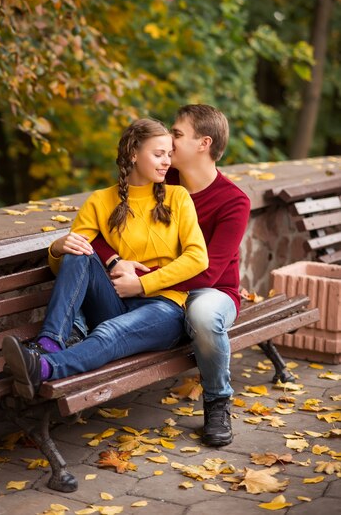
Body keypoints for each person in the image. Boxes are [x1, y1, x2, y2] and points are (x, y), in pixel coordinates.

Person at [2, 118, 209, 400]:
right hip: (115, 302)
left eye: (169, 154)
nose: (166, 162)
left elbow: (198, 258)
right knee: (79, 252)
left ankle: (43, 368)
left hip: (164, 308)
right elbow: (68, 268)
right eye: (158, 154)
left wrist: (143, 284)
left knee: (109, 331)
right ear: (133, 154)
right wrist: (58, 248)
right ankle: (49, 343)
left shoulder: (177, 197)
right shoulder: (100, 201)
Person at [91, 105, 251, 447]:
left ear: (203, 143)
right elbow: (103, 222)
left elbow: (209, 272)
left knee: (204, 315)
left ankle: (217, 402)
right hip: (160, 290)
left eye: (177, 135)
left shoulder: (233, 201)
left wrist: (144, 283)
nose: (169, 143)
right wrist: (115, 259)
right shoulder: (162, 181)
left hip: (213, 290)